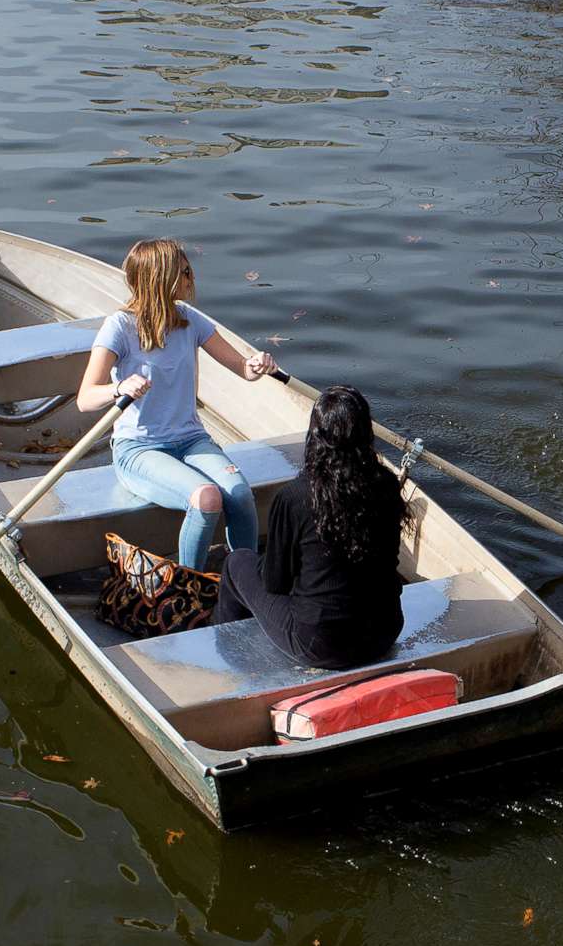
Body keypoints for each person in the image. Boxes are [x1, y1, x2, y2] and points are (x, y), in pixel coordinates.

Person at [76, 237, 275, 569]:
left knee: (239, 493)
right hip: (139, 449)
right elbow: (86, 397)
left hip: (191, 440)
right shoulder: (120, 326)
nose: (191, 278)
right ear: (163, 277)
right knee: (207, 498)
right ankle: (188, 588)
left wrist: (257, 365)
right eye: (185, 271)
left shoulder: (190, 319)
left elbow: (242, 368)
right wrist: (120, 387)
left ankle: (247, 579)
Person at [211, 384, 409, 669]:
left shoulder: (295, 496)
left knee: (236, 563)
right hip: (383, 633)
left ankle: (225, 652)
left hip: (320, 645)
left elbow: (274, 582)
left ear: (315, 436)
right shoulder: (387, 483)